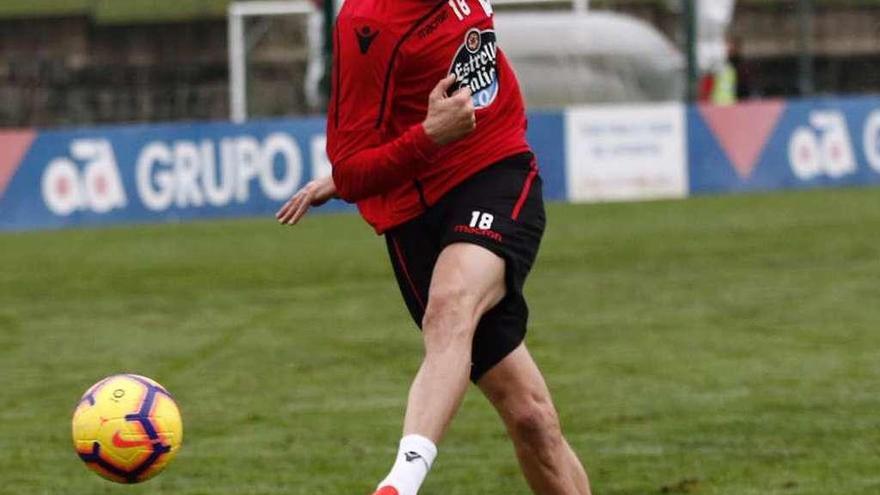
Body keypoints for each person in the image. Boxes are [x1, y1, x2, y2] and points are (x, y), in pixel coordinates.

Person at [276, 1, 591, 494]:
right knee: (532, 419)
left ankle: (400, 483)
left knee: (450, 306)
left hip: (497, 168)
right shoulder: (368, 25)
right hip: (415, 220)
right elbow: (354, 171)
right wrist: (427, 136)